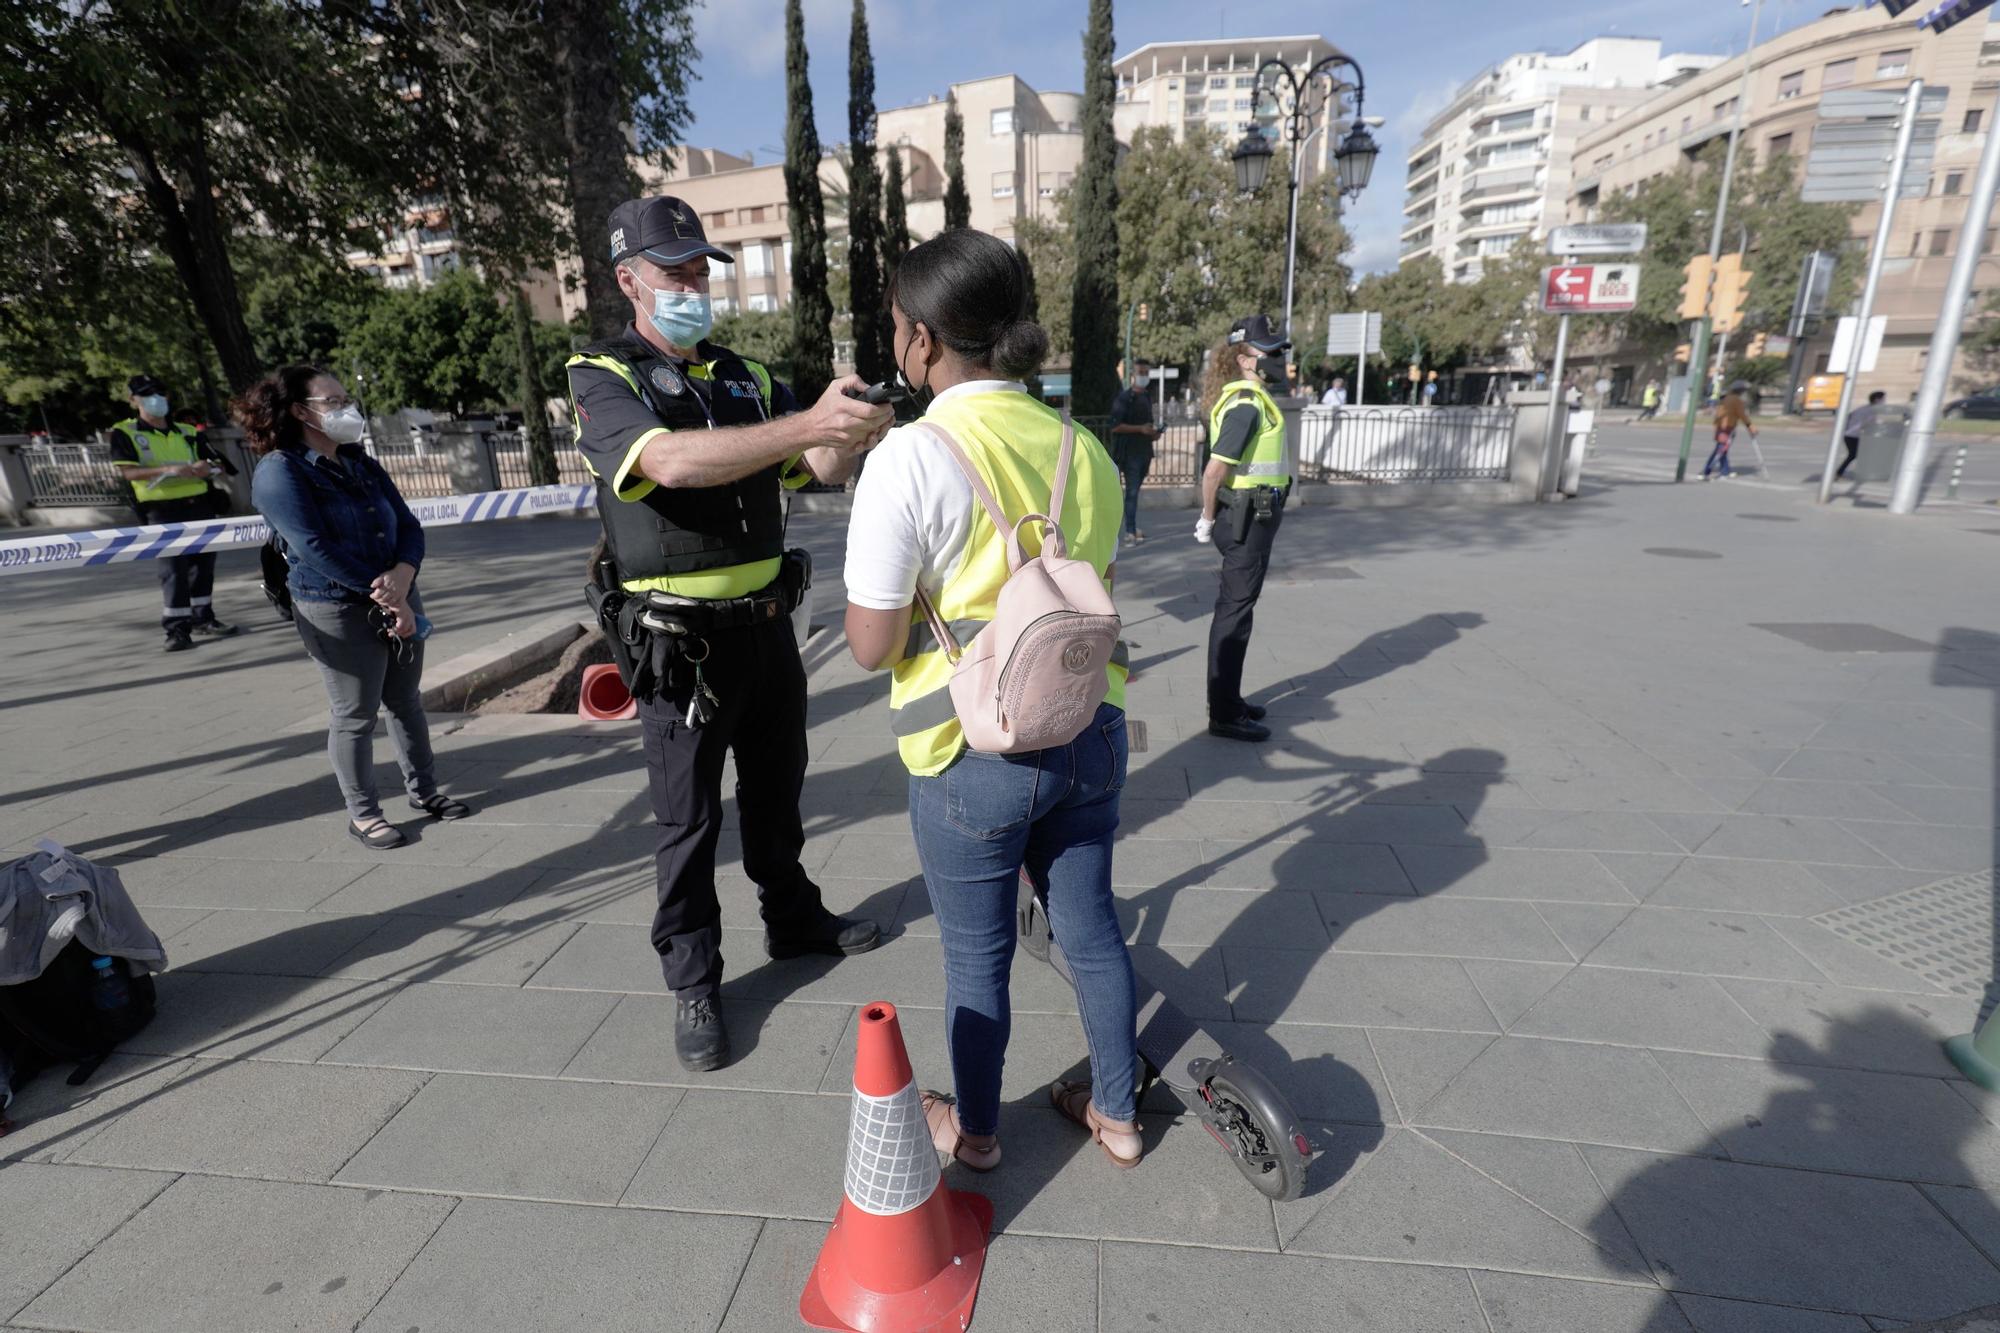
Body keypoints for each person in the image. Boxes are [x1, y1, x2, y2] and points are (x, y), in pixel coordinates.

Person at [567, 195, 891, 1072]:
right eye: (674, 270)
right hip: (682, 646)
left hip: (768, 630)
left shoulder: (743, 377)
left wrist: (855, 423)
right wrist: (807, 424)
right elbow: (665, 462)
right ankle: (694, 977)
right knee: (688, 820)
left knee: (780, 789)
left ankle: (792, 919)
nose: (692, 284)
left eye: (700, 268)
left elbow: (814, 466)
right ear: (628, 280)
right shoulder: (602, 375)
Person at [842, 226, 1141, 1173]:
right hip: (1090, 728)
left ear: (922, 339)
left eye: (897, 326)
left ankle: (975, 1134)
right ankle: (1120, 1114)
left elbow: (869, 645)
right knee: (1090, 929)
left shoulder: (910, 457)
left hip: (971, 753)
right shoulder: (1082, 447)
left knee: (977, 959)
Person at [238, 365, 470, 850]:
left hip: (395, 591)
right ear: (300, 412)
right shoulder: (280, 471)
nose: (348, 409)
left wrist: (404, 575)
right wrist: (386, 592)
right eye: (334, 401)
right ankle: (363, 815)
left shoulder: (357, 460)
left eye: (347, 399)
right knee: (355, 714)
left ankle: (424, 793)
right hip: (335, 608)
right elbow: (312, 547)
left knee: (406, 701)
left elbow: (407, 524)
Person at [1195, 315, 1291, 744]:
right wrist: (1206, 518)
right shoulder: (1247, 405)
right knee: (1234, 615)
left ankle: (1229, 699)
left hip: (1254, 517)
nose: (1277, 359)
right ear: (1243, 358)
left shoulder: (1251, 398)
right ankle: (1225, 713)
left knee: (1239, 610)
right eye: (1268, 352)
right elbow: (1214, 472)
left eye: (1278, 351)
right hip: (1245, 521)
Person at [109, 375, 240, 650]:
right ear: (134, 400)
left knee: (203, 566)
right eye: (147, 394)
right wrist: (166, 470)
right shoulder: (126, 432)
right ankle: (177, 629)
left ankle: (203, 617)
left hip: (198, 504)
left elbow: (220, 464)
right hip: (161, 510)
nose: (155, 399)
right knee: (173, 570)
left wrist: (209, 469)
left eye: (159, 393)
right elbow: (129, 472)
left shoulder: (188, 432)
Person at [1107, 358, 1159, 544]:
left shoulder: (1146, 396)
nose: (1144, 376)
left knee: (1134, 491)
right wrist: (1140, 429)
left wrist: (1153, 433)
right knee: (1131, 493)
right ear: (1133, 375)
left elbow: (1148, 423)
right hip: (1129, 454)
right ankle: (1129, 531)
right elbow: (1115, 427)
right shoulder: (1124, 398)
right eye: (1141, 372)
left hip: (1145, 451)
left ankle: (1132, 527)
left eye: (1146, 372)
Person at [1704, 381, 1757, 480]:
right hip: (1728, 427)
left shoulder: (1726, 398)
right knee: (1721, 449)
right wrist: (1750, 426)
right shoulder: (1736, 400)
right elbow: (1742, 415)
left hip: (1721, 426)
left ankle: (1725, 470)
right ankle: (1707, 470)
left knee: (1722, 449)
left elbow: (1719, 415)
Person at [1837, 390, 1887, 481]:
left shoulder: (1865, 408)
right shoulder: (1870, 410)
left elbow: (1851, 416)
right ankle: (1840, 473)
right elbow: (1868, 424)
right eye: (1883, 399)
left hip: (1852, 435)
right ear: (1876, 399)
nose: (1884, 401)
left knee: (1856, 454)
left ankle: (1840, 473)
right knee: (1855, 454)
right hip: (1853, 435)